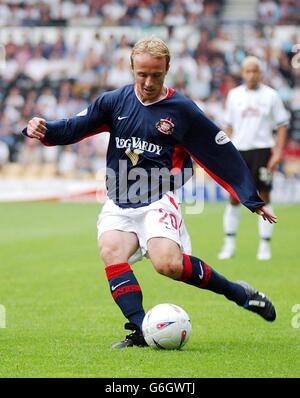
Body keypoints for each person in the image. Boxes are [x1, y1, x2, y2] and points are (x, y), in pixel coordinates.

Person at [23, 38, 277, 349]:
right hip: (118, 199)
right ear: (131, 68)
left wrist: (250, 197)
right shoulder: (113, 102)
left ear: (167, 70)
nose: (148, 82)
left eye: (156, 75)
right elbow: (75, 125)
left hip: (158, 196)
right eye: (141, 74)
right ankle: (139, 330)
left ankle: (239, 293)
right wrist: (44, 129)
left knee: (167, 264)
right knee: (111, 251)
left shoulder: (182, 111)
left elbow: (218, 151)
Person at [218, 56, 289, 261]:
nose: (252, 74)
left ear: (261, 72)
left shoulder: (271, 96)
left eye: (255, 70)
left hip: (263, 151)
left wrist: (278, 151)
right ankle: (229, 243)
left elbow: (282, 124)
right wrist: (224, 152)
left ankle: (264, 245)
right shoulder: (234, 95)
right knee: (234, 197)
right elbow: (228, 125)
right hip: (238, 152)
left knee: (264, 197)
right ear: (242, 73)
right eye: (248, 71)